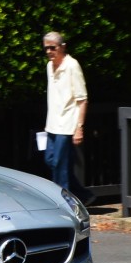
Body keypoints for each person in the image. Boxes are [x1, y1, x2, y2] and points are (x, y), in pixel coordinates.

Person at [42, 31, 92, 203]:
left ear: (62, 47)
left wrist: (79, 127)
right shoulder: (50, 66)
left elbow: (82, 99)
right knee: (50, 160)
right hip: (52, 124)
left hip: (66, 124)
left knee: (59, 165)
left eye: (52, 48)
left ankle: (64, 204)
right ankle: (83, 195)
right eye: (46, 48)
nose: (49, 51)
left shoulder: (72, 66)